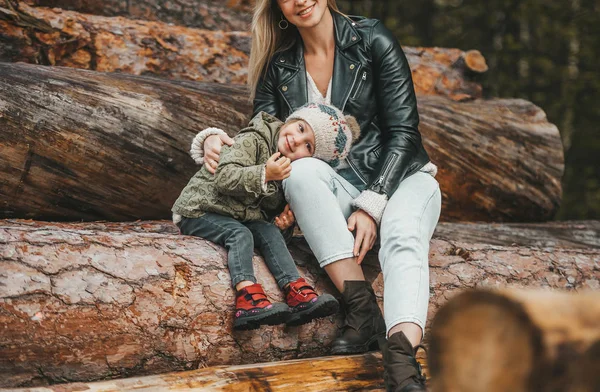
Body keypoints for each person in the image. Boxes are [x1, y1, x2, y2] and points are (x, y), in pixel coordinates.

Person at [200, 1, 441, 390]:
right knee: (303, 172)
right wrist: (212, 139)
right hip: (338, 192)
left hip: (404, 180)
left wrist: (374, 201)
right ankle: (362, 313)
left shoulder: (372, 39)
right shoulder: (280, 66)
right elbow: (263, 140)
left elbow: (404, 133)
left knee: (402, 236)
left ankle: (401, 362)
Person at [173, 102, 360, 331]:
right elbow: (224, 177)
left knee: (269, 232)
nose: (296, 140)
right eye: (301, 129)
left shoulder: (289, 171)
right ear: (292, 120)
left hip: (237, 214)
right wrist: (265, 174)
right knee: (240, 235)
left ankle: (295, 290)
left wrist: (283, 224)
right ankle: (247, 297)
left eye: (308, 145)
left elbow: (265, 216)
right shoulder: (255, 139)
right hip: (201, 209)